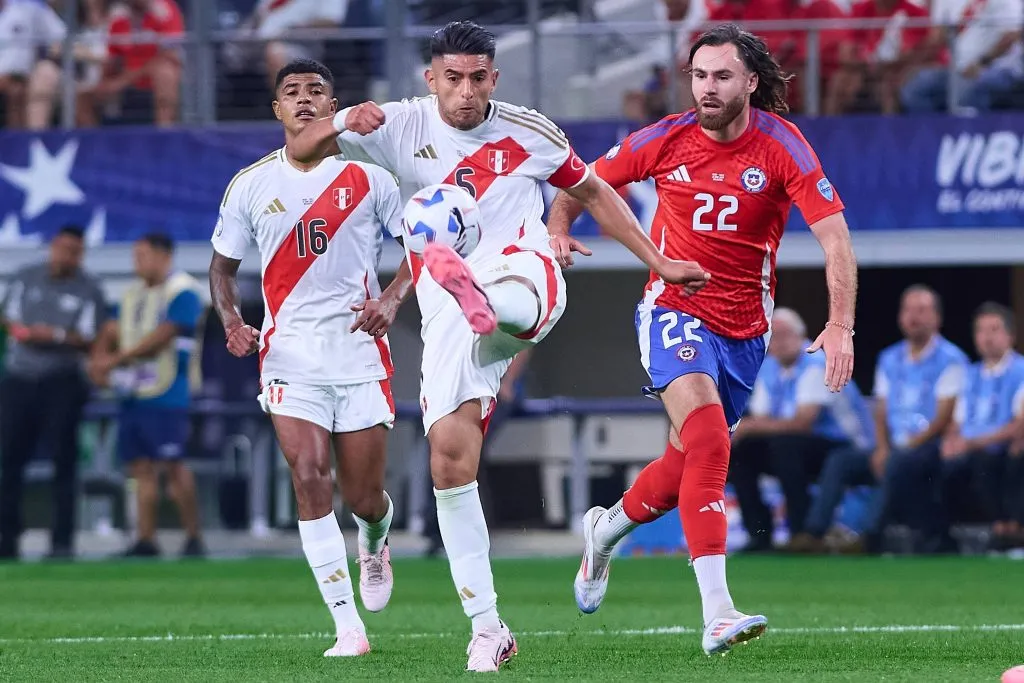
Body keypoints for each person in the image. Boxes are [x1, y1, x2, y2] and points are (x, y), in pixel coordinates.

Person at [288, 21, 707, 672]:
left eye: (477, 77)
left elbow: (592, 189)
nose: (464, 92)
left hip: (522, 268)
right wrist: (342, 117)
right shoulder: (398, 125)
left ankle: (482, 299)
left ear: (495, 76)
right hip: (448, 308)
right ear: (431, 79)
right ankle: (488, 629)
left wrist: (658, 260)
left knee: (509, 298)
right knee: (449, 465)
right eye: (451, 78)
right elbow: (303, 148)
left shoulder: (530, 131)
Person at [546, 24, 858, 655]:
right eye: (698, 75)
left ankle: (606, 532)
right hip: (672, 308)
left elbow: (836, 242)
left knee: (682, 467)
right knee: (711, 438)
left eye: (721, 76)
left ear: (750, 82)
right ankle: (717, 610)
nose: (707, 88)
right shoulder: (665, 137)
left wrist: (841, 324)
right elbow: (582, 183)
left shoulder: (783, 146)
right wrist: (557, 226)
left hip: (745, 329)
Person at [208, 59, 412, 658]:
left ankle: (374, 538)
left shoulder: (369, 179)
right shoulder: (250, 184)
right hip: (288, 356)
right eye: (291, 93)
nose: (302, 100)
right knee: (308, 475)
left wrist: (392, 301)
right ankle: (348, 627)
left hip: (357, 350)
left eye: (316, 91)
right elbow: (222, 267)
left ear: (333, 105)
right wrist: (232, 321)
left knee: (364, 498)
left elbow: (420, 250)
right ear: (276, 110)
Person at [88, 233, 206, 559]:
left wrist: (113, 360)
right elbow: (113, 328)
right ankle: (146, 539)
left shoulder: (182, 291)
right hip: (133, 391)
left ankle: (193, 537)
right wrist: (98, 358)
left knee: (173, 464)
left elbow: (163, 336)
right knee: (139, 467)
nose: (136, 262)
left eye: (142, 255)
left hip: (169, 391)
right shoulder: (133, 294)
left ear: (163, 255)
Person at [0, 225, 107, 560]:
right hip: (19, 379)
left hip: (62, 381)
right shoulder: (25, 277)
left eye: (74, 252)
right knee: (9, 461)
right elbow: (9, 319)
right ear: (52, 247)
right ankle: (7, 539)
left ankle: (62, 541)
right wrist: (24, 332)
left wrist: (57, 335)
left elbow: (91, 337)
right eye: (62, 249)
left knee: (64, 462)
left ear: (81, 254)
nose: (67, 257)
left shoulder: (89, 288)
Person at [729, 308, 873, 552]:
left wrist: (749, 426)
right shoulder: (769, 368)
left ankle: (802, 531)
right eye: (774, 335)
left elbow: (803, 422)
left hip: (844, 445)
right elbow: (764, 420)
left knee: (784, 446)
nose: (779, 342)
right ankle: (759, 534)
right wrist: (748, 430)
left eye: (786, 334)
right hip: (796, 445)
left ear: (801, 335)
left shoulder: (817, 361)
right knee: (744, 451)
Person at [938, 303, 1024, 549]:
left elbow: (1019, 424)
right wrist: (951, 441)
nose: (987, 337)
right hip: (973, 448)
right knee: (937, 463)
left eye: (994, 330)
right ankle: (942, 539)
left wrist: (973, 443)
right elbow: (957, 420)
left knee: (1002, 458)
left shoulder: (1020, 371)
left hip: (1003, 448)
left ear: (1010, 335)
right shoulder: (971, 374)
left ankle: (1009, 529)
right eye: (981, 331)